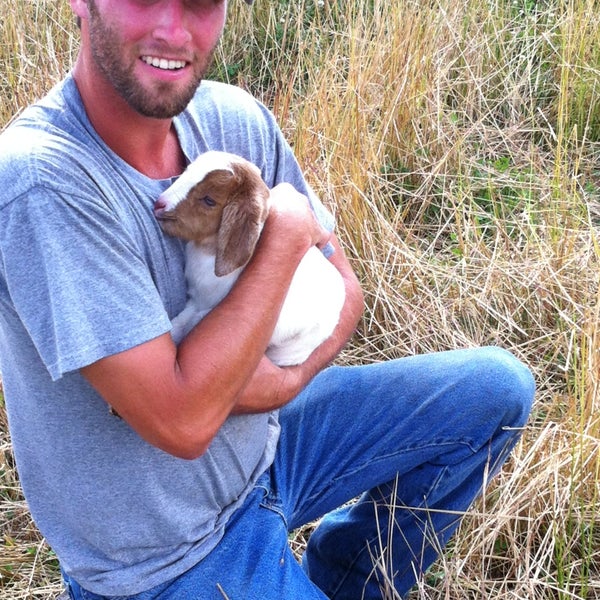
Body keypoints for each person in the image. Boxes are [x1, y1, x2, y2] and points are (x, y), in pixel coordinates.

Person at [0, 1, 535, 598]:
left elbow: (345, 294)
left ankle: (352, 579)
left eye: (201, 3)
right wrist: (282, 234)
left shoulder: (232, 121)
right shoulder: (43, 182)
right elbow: (183, 421)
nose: (174, 31)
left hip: (273, 449)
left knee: (498, 390)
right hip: (168, 557)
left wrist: (271, 381)